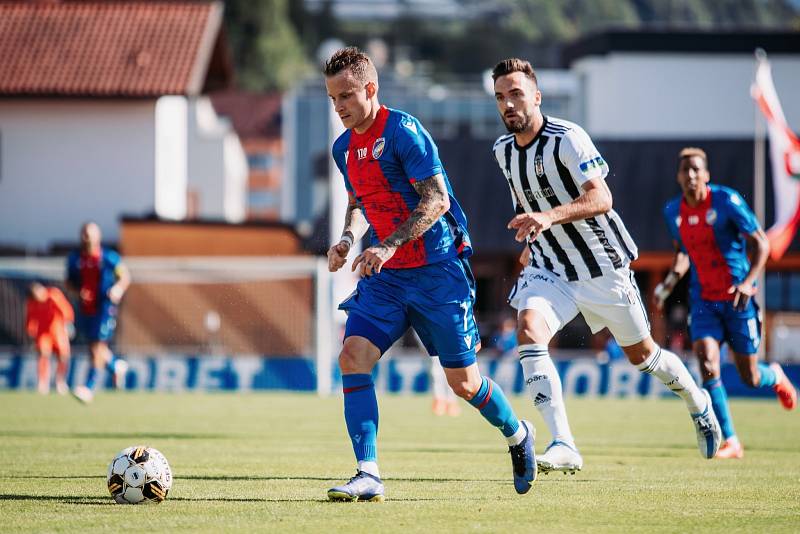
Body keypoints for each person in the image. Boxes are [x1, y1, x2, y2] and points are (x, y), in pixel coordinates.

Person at [491, 58, 722, 473]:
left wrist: (548, 217)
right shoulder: (503, 151)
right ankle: (564, 443)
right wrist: (532, 236)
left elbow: (601, 198)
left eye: (516, 94)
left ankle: (697, 400)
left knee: (644, 357)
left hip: (603, 266)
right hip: (552, 266)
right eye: (501, 97)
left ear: (537, 97)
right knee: (528, 329)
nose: (509, 104)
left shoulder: (568, 138)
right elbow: (530, 203)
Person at [324, 47, 535, 501]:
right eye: (332, 98)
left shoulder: (403, 131)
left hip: (438, 271)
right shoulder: (344, 148)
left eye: (345, 96)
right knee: (352, 356)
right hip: (388, 277)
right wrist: (347, 239)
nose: (338, 106)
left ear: (371, 89)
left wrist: (387, 243)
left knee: (464, 384)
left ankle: (518, 434)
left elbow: (436, 201)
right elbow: (360, 202)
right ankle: (368, 473)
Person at [654, 147, 797, 459]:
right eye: (685, 170)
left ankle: (775, 375)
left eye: (696, 170)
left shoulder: (727, 201)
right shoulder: (672, 211)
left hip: (737, 299)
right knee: (706, 362)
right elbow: (682, 253)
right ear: (678, 176)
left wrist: (748, 282)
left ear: (706, 175)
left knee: (751, 377)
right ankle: (730, 439)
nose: (691, 175)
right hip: (703, 300)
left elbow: (761, 242)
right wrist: (666, 285)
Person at [66, 222, 130, 403]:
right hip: (86, 309)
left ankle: (88, 387)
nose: (86, 237)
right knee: (95, 348)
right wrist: (78, 292)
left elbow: (125, 276)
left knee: (96, 348)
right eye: (84, 234)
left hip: (104, 307)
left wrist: (117, 288)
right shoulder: (74, 259)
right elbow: (69, 281)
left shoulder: (109, 257)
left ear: (98, 236)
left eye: (90, 234)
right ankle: (115, 366)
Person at [25, 281, 73, 394]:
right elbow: (30, 318)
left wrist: (68, 324)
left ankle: (60, 381)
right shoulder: (32, 302)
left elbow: (65, 309)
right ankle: (43, 382)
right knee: (43, 355)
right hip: (43, 334)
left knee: (63, 356)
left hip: (58, 331)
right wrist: (31, 332)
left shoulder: (53, 295)